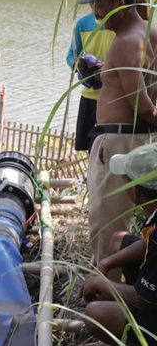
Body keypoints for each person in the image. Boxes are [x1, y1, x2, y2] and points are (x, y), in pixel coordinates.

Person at [79, 0, 157, 281]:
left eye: (101, 6)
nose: (98, 16)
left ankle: (104, 301)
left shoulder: (126, 42)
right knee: (133, 224)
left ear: (119, 1)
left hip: (120, 145)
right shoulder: (150, 32)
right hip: (139, 141)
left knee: (106, 225)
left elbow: (143, 106)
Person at [83, 143, 157, 346]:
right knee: (118, 239)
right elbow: (146, 243)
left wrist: (101, 283)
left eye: (125, 179)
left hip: (151, 301)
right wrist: (107, 263)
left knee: (95, 314)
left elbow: (144, 299)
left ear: (136, 192)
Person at [66, 0, 115, 153]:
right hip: (89, 94)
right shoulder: (82, 24)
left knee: (108, 145)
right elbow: (71, 55)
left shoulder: (116, 23)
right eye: (91, 3)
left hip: (112, 96)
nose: (94, 8)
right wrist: (78, 63)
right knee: (89, 146)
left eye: (98, 2)